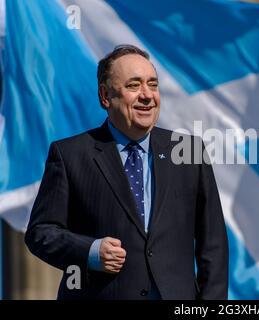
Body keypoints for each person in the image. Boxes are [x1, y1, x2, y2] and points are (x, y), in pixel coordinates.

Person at [24, 44, 229, 300]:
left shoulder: (189, 151)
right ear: (105, 96)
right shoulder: (69, 155)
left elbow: (214, 247)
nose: (147, 95)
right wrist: (91, 251)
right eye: (134, 85)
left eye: (152, 85)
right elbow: (40, 232)